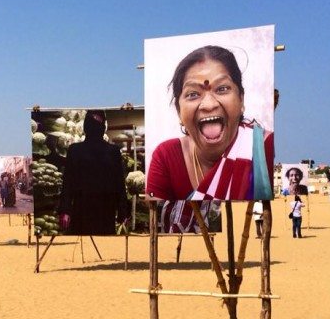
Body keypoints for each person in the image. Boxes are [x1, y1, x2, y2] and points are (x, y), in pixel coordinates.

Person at [145, 45, 273, 231]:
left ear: (241, 100)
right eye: (193, 94)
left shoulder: (263, 149)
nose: (208, 104)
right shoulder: (166, 155)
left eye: (222, 89)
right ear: (179, 111)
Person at [58, 110, 128, 235]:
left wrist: (123, 212)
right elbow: (68, 182)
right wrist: (65, 210)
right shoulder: (76, 150)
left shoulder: (76, 150)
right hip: (86, 210)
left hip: (99, 211)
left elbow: (119, 183)